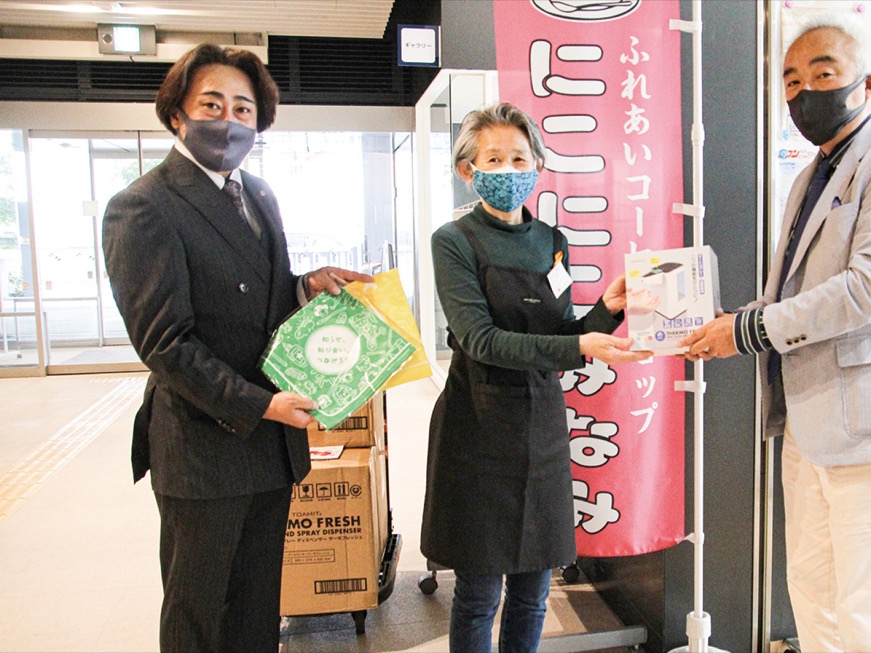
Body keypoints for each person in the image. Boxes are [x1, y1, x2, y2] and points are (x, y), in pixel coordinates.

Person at [679, 13, 871, 652]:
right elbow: (789, 298)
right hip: (808, 414)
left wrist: (746, 330)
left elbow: (869, 290)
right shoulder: (810, 175)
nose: (804, 93)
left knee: (869, 602)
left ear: (868, 83)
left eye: (823, 74)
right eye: (792, 81)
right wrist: (721, 322)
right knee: (811, 586)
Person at [102, 43, 372, 652]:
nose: (229, 120)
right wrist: (261, 404)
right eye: (212, 104)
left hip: (270, 448)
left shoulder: (258, 194)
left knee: (256, 606)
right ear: (177, 113)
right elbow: (165, 343)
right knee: (198, 611)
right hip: (204, 446)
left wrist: (305, 286)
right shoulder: (143, 205)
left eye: (243, 109)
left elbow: (264, 295)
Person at [421, 102, 650, 653]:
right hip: (477, 427)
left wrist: (606, 311)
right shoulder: (453, 241)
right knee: (479, 596)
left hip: (541, 426)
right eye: (492, 158)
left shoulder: (552, 241)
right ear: (468, 170)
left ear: (538, 166)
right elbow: (481, 340)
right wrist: (578, 344)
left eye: (519, 158)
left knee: (533, 593)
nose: (507, 169)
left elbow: (560, 333)